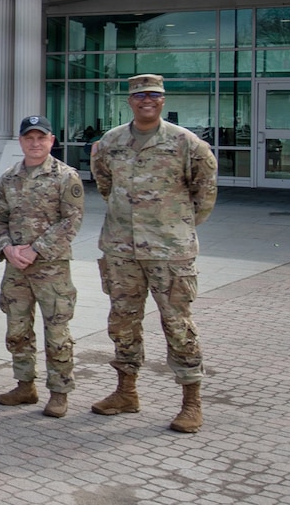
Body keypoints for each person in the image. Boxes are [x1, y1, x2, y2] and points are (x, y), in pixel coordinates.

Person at [90, 74, 217, 433]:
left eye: (154, 95)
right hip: (121, 248)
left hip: (169, 252)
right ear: (129, 100)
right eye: (140, 95)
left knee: (177, 324)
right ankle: (126, 392)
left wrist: (175, 225)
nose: (147, 100)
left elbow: (204, 192)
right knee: (122, 322)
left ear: (163, 100)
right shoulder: (111, 141)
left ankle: (191, 401)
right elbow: (104, 183)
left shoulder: (185, 143)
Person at [0, 115, 85, 418]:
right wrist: (6, 247)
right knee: (17, 329)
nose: (35, 143)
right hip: (16, 267)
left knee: (57, 332)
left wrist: (36, 249)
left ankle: (59, 391)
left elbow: (71, 221)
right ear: (20, 141)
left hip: (51, 268)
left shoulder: (65, 177)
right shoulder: (8, 178)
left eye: (41, 138)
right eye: (29, 138)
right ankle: (24, 385)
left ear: (51, 140)